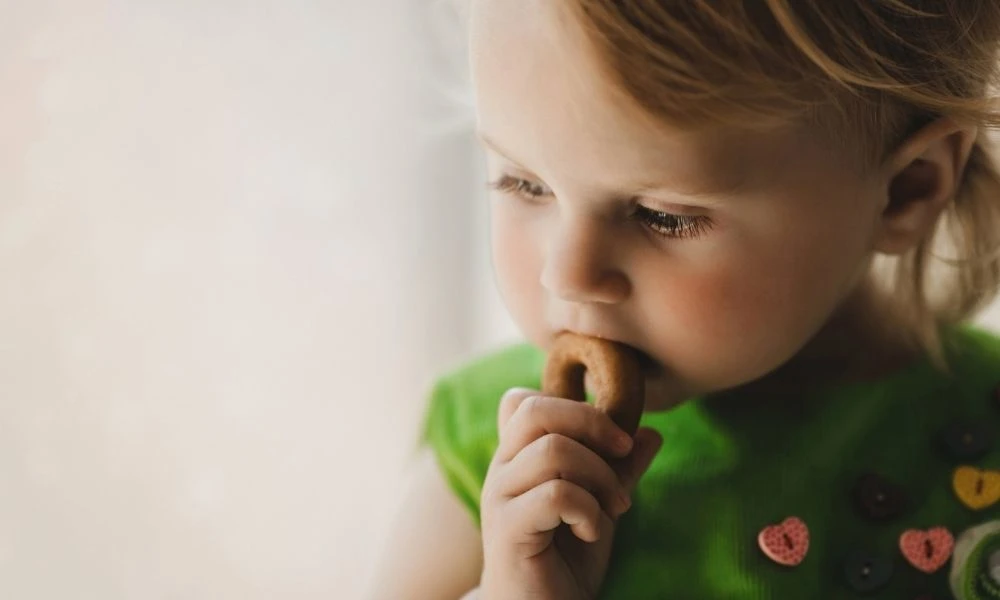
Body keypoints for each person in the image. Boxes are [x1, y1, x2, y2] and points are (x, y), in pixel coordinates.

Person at [370, 1, 1000, 597]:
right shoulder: (498, 460)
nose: (567, 275)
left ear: (908, 190)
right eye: (524, 182)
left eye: (662, 216)